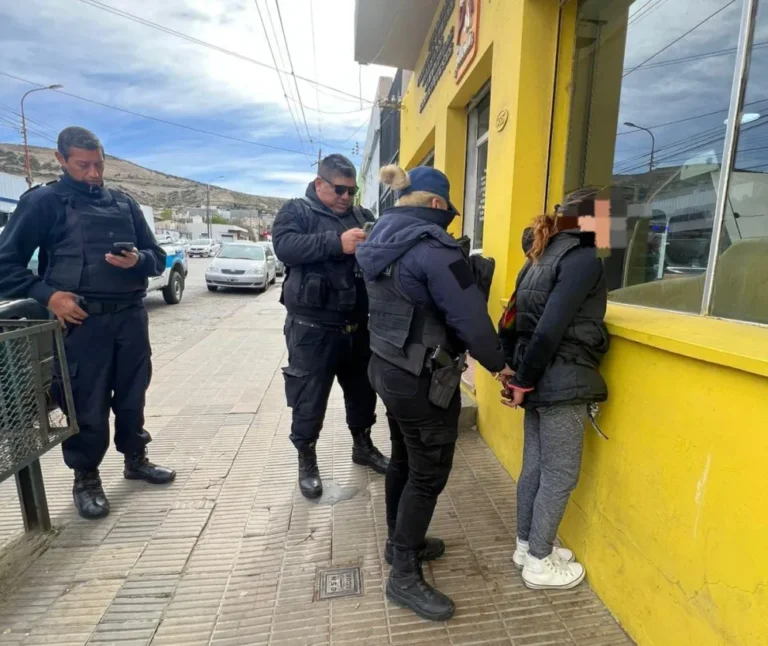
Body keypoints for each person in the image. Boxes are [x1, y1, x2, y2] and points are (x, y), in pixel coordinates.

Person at [356, 165, 511, 622]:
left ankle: (398, 542)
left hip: (386, 367)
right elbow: (471, 320)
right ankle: (403, 574)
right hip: (421, 380)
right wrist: (501, 365)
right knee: (428, 473)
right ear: (438, 205)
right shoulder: (436, 249)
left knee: (404, 459)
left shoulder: (379, 239)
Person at [0, 126, 175, 520]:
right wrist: (50, 296)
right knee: (86, 403)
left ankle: (135, 459)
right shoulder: (43, 202)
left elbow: (158, 257)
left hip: (130, 317)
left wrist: (139, 261)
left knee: (132, 395)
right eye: (83, 165)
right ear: (61, 160)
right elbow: (5, 265)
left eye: (99, 165)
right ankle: (86, 478)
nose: (94, 174)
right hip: (81, 323)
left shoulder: (124, 203)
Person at [499, 190, 610, 590]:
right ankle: (539, 562)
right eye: (609, 217)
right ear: (591, 219)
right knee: (560, 474)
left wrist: (517, 375)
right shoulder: (583, 259)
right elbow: (551, 327)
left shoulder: (538, 256)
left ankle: (526, 546)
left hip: (537, 376)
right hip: (561, 379)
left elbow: (509, 321)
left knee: (535, 467)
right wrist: (522, 380)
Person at [272, 154, 388, 499]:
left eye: (351, 190)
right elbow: (284, 247)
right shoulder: (297, 211)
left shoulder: (362, 215)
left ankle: (362, 446)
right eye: (339, 189)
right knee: (309, 399)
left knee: (363, 394)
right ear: (319, 183)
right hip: (312, 328)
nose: (345, 197)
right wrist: (337, 243)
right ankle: (307, 460)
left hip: (357, 326)